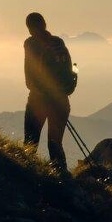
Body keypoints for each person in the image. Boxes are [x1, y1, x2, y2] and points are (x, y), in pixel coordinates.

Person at [22, 12, 74, 171]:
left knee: (30, 142)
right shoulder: (58, 43)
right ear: (44, 24)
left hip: (38, 100)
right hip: (61, 101)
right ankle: (62, 179)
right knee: (55, 143)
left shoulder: (30, 44)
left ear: (30, 28)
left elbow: (30, 77)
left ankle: (27, 175)